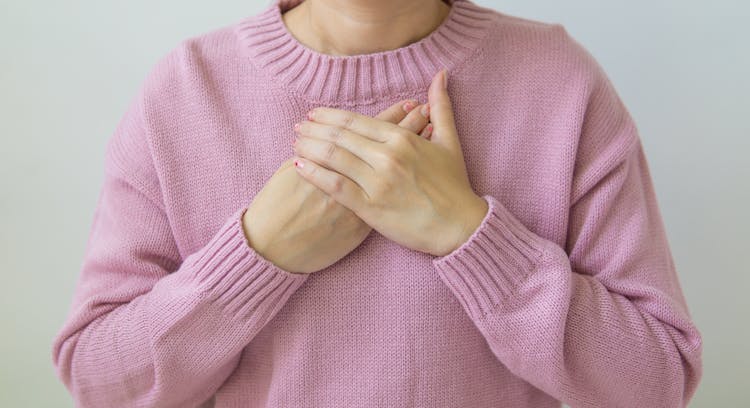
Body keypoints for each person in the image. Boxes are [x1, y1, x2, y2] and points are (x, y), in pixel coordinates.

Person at [50, 0, 703, 406]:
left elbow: (654, 386)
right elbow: (99, 384)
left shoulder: (561, 83)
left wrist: (466, 234)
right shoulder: (184, 92)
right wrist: (256, 257)